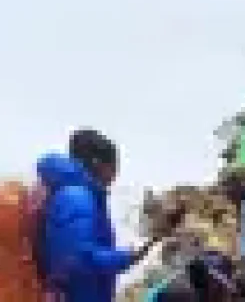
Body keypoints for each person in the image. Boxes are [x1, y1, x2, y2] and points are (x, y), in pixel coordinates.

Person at [38, 128, 183, 302]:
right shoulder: (77, 198)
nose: (115, 174)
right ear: (98, 163)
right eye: (114, 166)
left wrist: (145, 246)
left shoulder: (83, 196)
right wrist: (126, 257)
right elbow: (79, 260)